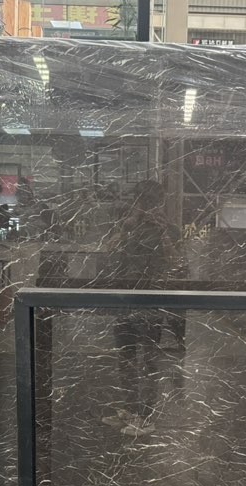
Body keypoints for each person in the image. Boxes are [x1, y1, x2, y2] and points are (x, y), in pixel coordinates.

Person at [101, 180, 173, 437]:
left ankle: (146, 417)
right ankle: (131, 410)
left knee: (148, 360)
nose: (137, 205)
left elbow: (174, 260)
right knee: (126, 357)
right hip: (127, 300)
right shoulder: (130, 226)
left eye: (140, 200)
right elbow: (110, 251)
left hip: (150, 300)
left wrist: (162, 231)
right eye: (137, 200)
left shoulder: (164, 227)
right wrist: (125, 229)